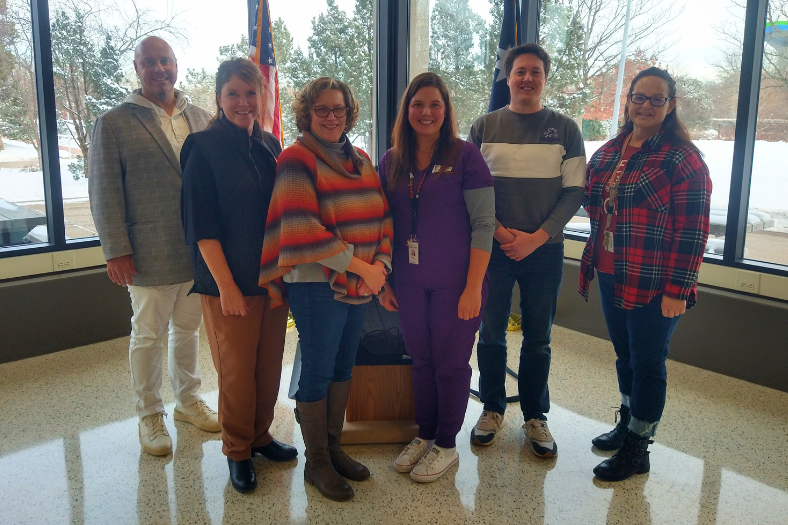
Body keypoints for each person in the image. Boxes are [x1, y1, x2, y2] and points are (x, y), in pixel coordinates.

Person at [258, 77, 393, 501]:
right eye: (322, 109)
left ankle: (334, 449)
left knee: (344, 366)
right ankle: (316, 461)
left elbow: (384, 216)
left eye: (339, 109)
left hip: (361, 280)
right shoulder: (296, 159)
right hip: (316, 284)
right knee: (318, 370)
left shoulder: (362, 158)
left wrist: (381, 266)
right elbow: (301, 227)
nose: (331, 117)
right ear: (308, 113)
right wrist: (362, 267)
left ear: (349, 113)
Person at [88, 36, 219, 457]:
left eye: (166, 60)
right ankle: (149, 413)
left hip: (198, 250)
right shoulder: (113, 122)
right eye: (150, 61)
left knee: (188, 330)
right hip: (148, 251)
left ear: (176, 64)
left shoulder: (202, 117)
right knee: (148, 334)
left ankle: (188, 401)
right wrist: (115, 249)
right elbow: (104, 191)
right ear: (137, 67)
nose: (159, 68)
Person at [579, 67, 711, 481]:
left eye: (657, 99)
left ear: (671, 105)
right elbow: (590, 199)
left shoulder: (683, 159)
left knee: (648, 362)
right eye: (639, 97)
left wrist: (678, 289)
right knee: (625, 356)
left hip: (655, 282)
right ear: (629, 101)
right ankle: (628, 421)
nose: (647, 105)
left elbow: (693, 230)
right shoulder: (610, 150)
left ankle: (639, 448)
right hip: (610, 272)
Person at [180, 58, 297, 494]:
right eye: (233, 93)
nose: (243, 102)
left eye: (251, 93)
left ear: (262, 97)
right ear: (218, 98)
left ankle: (260, 436)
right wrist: (227, 286)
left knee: (268, 367)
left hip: (271, 279)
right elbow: (201, 226)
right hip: (228, 283)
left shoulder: (269, 145)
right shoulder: (202, 147)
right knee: (236, 372)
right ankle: (237, 450)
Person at [467, 43, 585, 457]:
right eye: (520, 71)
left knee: (539, 338)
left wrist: (536, 238)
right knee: (491, 333)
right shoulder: (484, 127)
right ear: (508, 77)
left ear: (545, 79)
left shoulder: (566, 129)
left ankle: (536, 417)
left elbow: (574, 192)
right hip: (492, 249)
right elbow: (472, 190)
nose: (527, 78)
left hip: (544, 251)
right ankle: (492, 409)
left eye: (536, 71)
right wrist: (501, 234)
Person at [376, 72, 495, 483]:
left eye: (434, 105)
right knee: (420, 360)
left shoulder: (466, 157)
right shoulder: (392, 160)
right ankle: (425, 433)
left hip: (457, 283)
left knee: (450, 364)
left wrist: (473, 288)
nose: (426, 112)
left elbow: (484, 225)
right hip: (408, 282)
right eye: (417, 104)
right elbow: (382, 223)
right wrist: (385, 282)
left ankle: (446, 443)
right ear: (406, 110)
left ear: (446, 111)